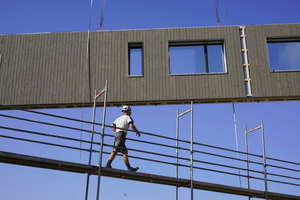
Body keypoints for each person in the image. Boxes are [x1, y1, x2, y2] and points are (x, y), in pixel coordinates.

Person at [105, 105, 141, 171]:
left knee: (125, 152)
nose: (130, 113)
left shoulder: (118, 118)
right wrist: (137, 132)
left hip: (118, 134)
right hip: (121, 135)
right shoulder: (128, 117)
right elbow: (131, 125)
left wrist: (116, 130)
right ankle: (108, 164)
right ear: (128, 111)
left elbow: (112, 125)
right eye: (130, 111)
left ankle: (129, 167)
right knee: (116, 150)